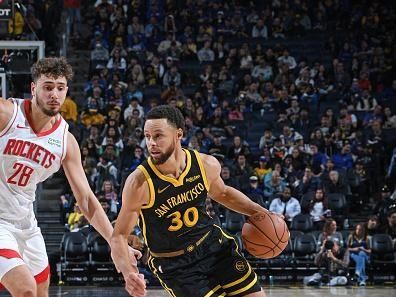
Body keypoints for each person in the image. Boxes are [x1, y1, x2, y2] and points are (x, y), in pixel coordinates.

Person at [0, 57, 145, 297]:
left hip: (26, 223)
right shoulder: (7, 114)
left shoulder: (65, 140)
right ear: (34, 88)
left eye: (60, 87)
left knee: (39, 292)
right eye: (47, 87)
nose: (54, 94)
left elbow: (86, 199)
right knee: (25, 289)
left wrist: (115, 243)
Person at [111, 105, 273, 297]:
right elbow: (119, 236)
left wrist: (260, 212)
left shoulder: (205, 164)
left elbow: (223, 194)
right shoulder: (139, 183)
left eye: (158, 136)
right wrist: (129, 273)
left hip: (213, 247)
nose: (151, 143)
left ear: (178, 134)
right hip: (176, 266)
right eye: (147, 136)